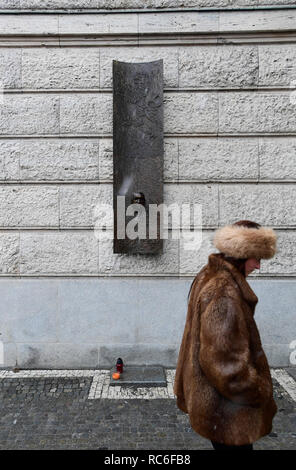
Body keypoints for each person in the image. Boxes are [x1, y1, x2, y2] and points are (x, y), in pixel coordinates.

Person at [173, 220, 278, 450]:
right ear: (242, 254)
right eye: (256, 258)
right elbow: (224, 365)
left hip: (218, 407)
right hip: (228, 412)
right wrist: (258, 390)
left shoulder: (209, 274)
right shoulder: (224, 291)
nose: (258, 266)